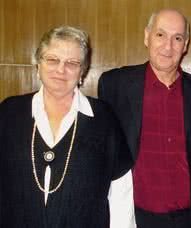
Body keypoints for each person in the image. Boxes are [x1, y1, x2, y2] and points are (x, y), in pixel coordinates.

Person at [0, 26, 131, 227]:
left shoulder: (104, 119)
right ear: (38, 64)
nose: (61, 69)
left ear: (82, 71)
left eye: (72, 63)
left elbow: (121, 193)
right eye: (52, 59)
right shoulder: (9, 113)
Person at [98, 8, 191, 228]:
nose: (168, 46)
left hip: (186, 219)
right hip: (132, 217)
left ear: (186, 44)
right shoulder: (115, 86)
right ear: (146, 36)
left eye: (177, 38)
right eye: (160, 35)